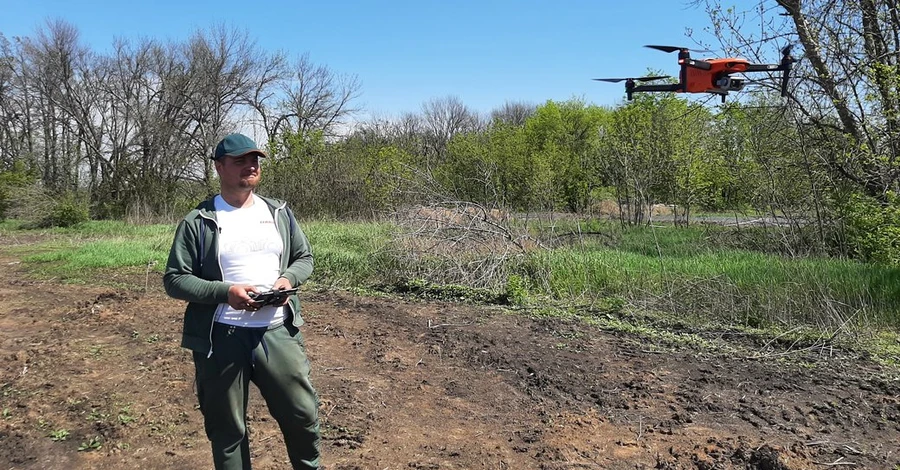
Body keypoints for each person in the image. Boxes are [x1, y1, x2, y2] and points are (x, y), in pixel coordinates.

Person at [163, 133, 320, 469]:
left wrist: (287, 279)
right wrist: (226, 293)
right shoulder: (199, 220)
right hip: (221, 337)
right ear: (219, 167)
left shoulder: (278, 212)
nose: (251, 166)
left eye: (255, 160)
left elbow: (304, 257)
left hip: (277, 332)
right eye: (240, 160)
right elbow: (175, 279)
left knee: (302, 415)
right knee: (227, 428)